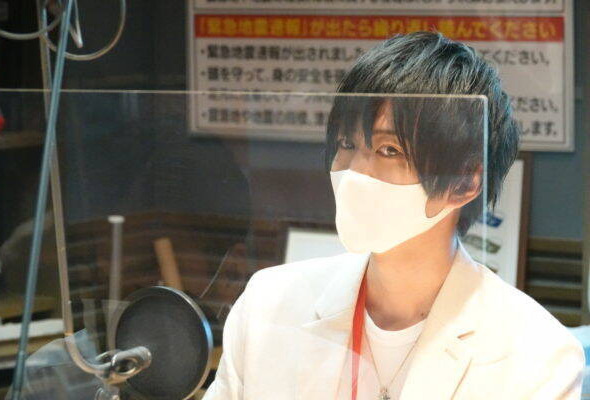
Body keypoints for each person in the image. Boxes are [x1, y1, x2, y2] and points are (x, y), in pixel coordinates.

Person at [202, 31, 585, 400]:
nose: (354, 172)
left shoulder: (536, 355)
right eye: (347, 143)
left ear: (464, 182)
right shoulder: (268, 304)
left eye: (389, 150)